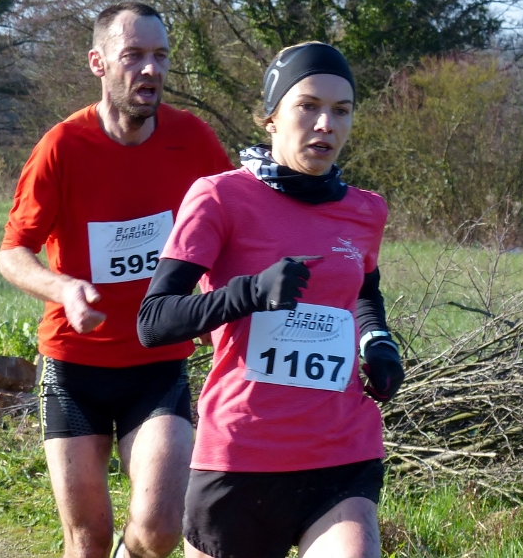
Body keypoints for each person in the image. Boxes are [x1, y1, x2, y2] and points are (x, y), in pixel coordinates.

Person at [137, 41, 405, 558]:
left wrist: (378, 343)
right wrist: (251, 292)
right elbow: (155, 321)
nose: (325, 124)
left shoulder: (366, 210)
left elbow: (364, 290)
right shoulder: (220, 197)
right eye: (308, 106)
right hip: (242, 455)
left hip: (340, 450)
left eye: (341, 110)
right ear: (272, 117)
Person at [0, 2, 233, 558]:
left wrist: (212, 301)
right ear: (98, 62)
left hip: (157, 362)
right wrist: (64, 288)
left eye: (160, 56)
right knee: (88, 540)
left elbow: (231, 230)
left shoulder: (193, 140)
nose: (150, 69)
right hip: (74, 364)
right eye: (133, 55)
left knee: (160, 527)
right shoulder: (62, 147)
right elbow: (12, 254)